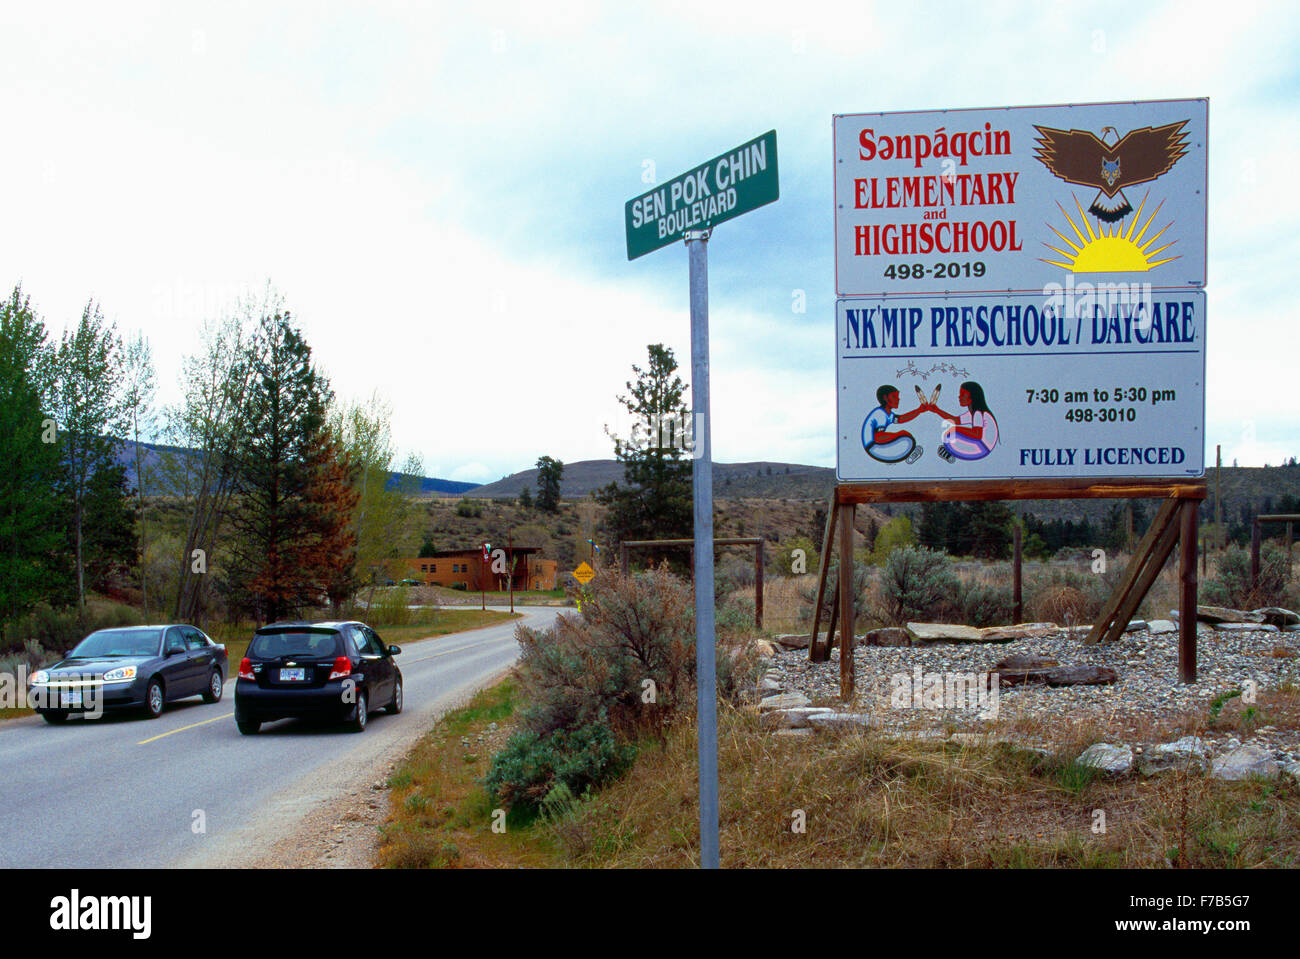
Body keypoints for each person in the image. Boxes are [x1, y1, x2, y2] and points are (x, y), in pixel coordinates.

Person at [927, 380, 999, 462]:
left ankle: (950, 453)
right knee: (949, 435)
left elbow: (977, 434)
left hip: (983, 447)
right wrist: (937, 410)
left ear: (972, 397)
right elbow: (955, 421)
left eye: (962, 395)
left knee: (949, 436)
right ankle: (950, 451)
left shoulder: (978, 413)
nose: (959, 397)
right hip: (982, 446)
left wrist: (956, 429)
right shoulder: (972, 412)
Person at [862, 384, 925, 464]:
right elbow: (878, 437)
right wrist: (898, 434)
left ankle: (907, 453)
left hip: (877, 446)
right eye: (894, 397)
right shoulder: (880, 414)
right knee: (908, 440)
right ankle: (908, 454)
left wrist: (919, 410)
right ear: (885, 398)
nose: (898, 399)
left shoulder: (887, 413)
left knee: (907, 439)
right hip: (873, 447)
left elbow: (901, 419)